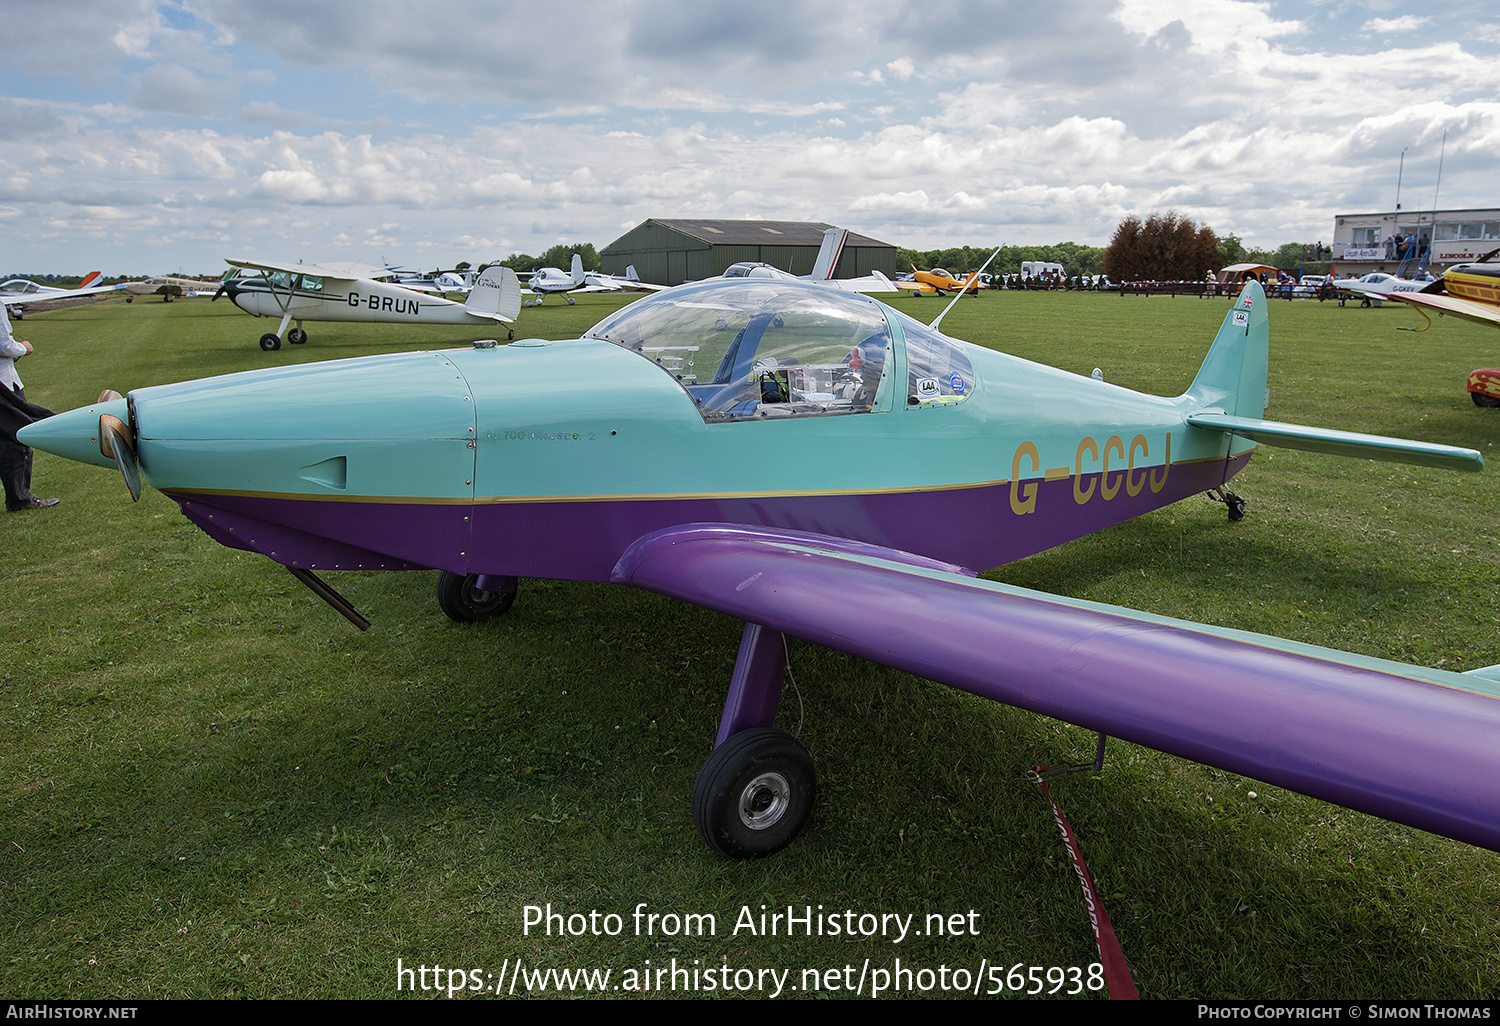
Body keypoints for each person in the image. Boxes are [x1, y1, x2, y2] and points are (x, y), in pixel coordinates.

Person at [0, 301, 59, 511]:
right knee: (21, 434)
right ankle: (20, 499)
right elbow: (3, 346)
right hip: (3, 385)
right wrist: (23, 348)